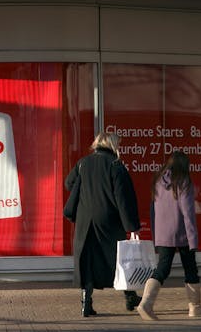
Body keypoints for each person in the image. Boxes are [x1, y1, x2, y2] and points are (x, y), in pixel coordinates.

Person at [65, 131, 143, 317]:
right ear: (113, 145)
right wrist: (131, 226)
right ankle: (130, 296)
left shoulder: (83, 163)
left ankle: (86, 303)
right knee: (119, 258)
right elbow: (123, 198)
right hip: (108, 220)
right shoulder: (115, 165)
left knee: (88, 260)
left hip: (85, 220)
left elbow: (69, 183)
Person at [137, 150, 201, 320]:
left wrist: (155, 234)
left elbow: (153, 210)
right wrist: (193, 239)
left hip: (163, 232)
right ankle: (195, 308)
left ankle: (146, 303)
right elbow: (188, 212)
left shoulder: (158, 181)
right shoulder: (184, 182)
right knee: (190, 268)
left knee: (162, 268)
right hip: (182, 233)